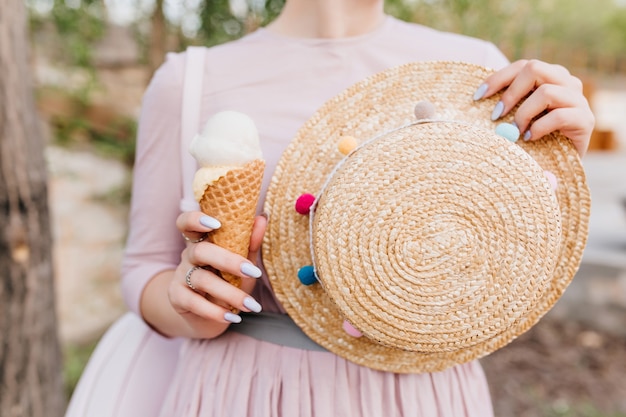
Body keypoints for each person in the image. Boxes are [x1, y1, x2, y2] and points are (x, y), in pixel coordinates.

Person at [66, 0, 594, 416]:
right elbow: (143, 269)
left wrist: (563, 159)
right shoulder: (190, 81)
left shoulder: (479, 73)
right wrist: (191, 305)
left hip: (420, 395)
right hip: (242, 390)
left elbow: (509, 262)